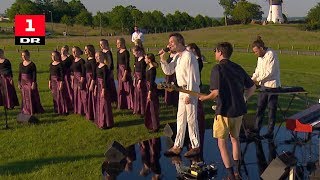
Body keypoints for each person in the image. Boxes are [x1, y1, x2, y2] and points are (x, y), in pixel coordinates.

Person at [199, 42, 256, 180]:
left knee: (222, 143)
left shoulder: (217, 69)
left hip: (224, 111)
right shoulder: (238, 67)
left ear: (220, 52)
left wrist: (203, 98)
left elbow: (215, 93)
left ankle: (230, 175)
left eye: (215, 51)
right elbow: (252, 87)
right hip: (238, 110)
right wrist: (244, 98)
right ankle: (237, 172)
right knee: (235, 140)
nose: (214, 53)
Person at [160, 33, 201, 157]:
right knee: (181, 118)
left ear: (180, 42)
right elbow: (169, 70)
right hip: (181, 91)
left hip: (190, 91)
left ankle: (195, 146)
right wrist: (162, 59)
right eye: (169, 42)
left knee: (191, 119)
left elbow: (193, 77)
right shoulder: (177, 56)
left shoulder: (189, 56)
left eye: (172, 42)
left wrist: (190, 94)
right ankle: (177, 145)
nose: (170, 44)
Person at [251, 36, 281, 139]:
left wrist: (257, 80)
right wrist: (252, 79)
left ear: (261, 48)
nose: (255, 54)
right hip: (264, 86)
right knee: (260, 108)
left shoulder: (271, 54)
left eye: (256, 51)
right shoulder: (260, 57)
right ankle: (256, 130)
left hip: (273, 86)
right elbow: (258, 70)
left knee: (271, 110)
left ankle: (270, 132)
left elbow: (269, 72)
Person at [18, 50, 44, 115]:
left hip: (29, 82)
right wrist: (19, 83)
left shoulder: (32, 64)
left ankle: (33, 109)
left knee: (31, 96)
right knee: (24, 96)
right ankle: (25, 109)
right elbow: (19, 74)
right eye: (22, 55)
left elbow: (34, 75)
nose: (23, 57)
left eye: (24, 55)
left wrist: (33, 83)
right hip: (23, 82)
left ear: (28, 55)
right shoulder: (21, 64)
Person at [94, 51, 114, 129]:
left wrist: (103, 89)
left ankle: (107, 122)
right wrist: (95, 88)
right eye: (96, 56)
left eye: (98, 56)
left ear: (102, 57)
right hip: (98, 86)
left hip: (103, 87)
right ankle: (100, 121)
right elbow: (96, 78)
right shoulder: (97, 66)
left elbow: (105, 80)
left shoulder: (105, 67)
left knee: (104, 104)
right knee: (99, 104)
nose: (96, 57)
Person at [116, 38, 134, 110]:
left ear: (123, 43)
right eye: (116, 43)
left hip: (125, 71)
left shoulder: (126, 52)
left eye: (118, 43)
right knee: (121, 87)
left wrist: (125, 74)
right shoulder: (118, 52)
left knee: (127, 86)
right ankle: (122, 104)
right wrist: (118, 73)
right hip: (120, 71)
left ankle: (130, 104)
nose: (117, 44)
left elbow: (127, 64)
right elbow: (117, 63)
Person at [144, 53, 160, 132]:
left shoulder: (152, 69)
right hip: (149, 88)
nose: (145, 60)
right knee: (150, 107)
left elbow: (151, 82)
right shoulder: (149, 67)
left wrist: (149, 93)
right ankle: (152, 124)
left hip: (151, 90)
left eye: (146, 58)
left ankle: (155, 126)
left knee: (152, 108)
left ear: (149, 60)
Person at [99, 39, 117, 104]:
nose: (100, 45)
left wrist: (110, 71)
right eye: (100, 44)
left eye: (102, 44)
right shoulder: (102, 51)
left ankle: (113, 99)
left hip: (107, 70)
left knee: (109, 85)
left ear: (106, 44)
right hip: (102, 69)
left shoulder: (108, 52)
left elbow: (110, 63)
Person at [70, 46, 86, 115]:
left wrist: (81, 81)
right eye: (72, 52)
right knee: (76, 94)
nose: (74, 53)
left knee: (81, 94)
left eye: (75, 51)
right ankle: (77, 109)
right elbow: (72, 71)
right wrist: (72, 80)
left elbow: (83, 71)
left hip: (80, 78)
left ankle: (83, 109)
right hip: (75, 79)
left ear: (79, 52)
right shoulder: (73, 61)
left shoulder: (81, 61)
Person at [132, 45, 147, 116]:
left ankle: (143, 110)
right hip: (136, 78)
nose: (133, 54)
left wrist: (139, 81)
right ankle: (137, 109)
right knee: (137, 94)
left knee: (142, 94)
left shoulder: (143, 60)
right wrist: (134, 79)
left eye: (134, 52)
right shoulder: (137, 59)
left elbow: (142, 71)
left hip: (141, 79)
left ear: (139, 52)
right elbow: (135, 70)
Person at [84, 45, 97, 121]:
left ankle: (94, 113)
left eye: (86, 50)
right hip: (87, 78)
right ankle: (90, 112)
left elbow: (94, 73)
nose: (85, 51)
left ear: (90, 51)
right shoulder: (88, 59)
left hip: (91, 79)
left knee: (92, 96)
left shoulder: (92, 60)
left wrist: (92, 83)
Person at [60, 45, 74, 111]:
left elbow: (72, 67)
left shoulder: (69, 58)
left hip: (67, 76)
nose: (62, 51)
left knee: (69, 90)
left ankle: (72, 104)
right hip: (61, 76)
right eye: (62, 50)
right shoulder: (59, 58)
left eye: (64, 50)